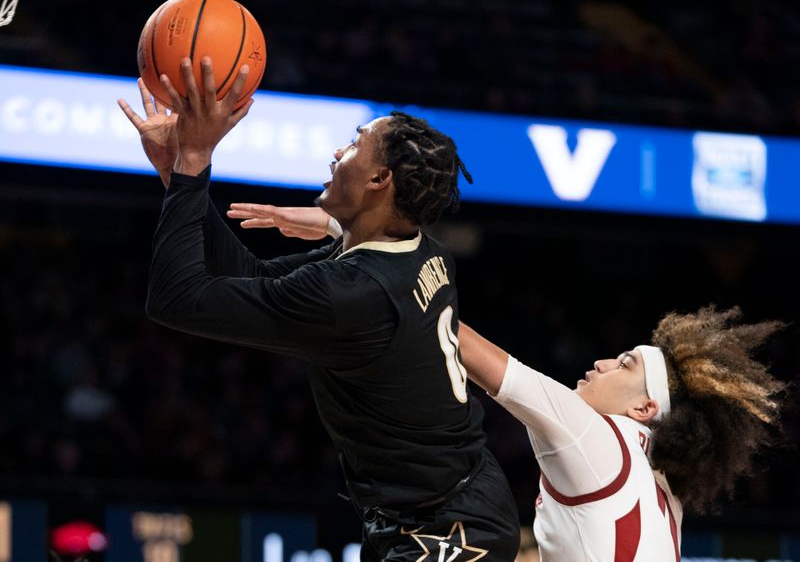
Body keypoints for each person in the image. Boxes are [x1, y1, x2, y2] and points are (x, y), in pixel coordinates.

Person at [117, 57, 520, 562]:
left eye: (353, 143)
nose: (336, 152)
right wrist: (176, 174)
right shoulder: (413, 250)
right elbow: (252, 279)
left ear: (380, 179)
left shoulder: (354, 289)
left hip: (450, 529)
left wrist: (194, 158)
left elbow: (176, 298)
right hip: (443, 503)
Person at [231, 202, 787, 561]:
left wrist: (347, 233)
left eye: (624, 364)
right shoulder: (664, 492)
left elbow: (448, 331)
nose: (601, 364)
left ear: (644, 409)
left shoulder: (600, 443)